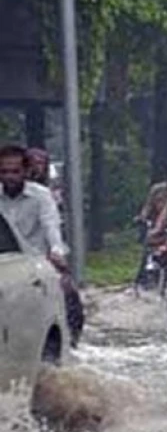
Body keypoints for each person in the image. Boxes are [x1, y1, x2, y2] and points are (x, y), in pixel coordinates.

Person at [0, 145, 83, 345]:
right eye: (4, 172)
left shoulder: (42, 195)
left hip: (37, 263)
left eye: (15, 171)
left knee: (69, 294)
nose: (9, 177)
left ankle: (71, 342)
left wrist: (56, 252)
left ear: (26, 172)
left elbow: (51, 226)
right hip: (5, 264)